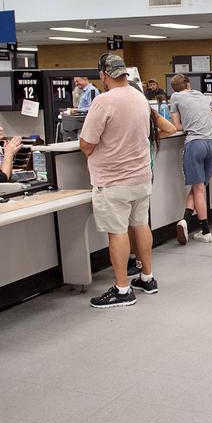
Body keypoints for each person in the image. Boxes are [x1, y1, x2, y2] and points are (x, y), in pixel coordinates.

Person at [80, 54, 157, 308]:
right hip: (141, 176)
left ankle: (122, 290)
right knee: (140, 224)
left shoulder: (103, 101)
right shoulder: (140, 97)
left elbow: (86, 144)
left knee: (117, 232)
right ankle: (147, 277)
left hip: (113, 180)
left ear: (103, 75)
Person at [168, 73, 212, 244]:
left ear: (174, 89)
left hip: (195, 144)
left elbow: (176, 126)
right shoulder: (200, 95)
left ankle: (205, 231)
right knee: (199, 186)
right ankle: (185, 220)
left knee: (198, 189)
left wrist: (189, 125)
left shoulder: (175, 97)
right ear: (189, 85)